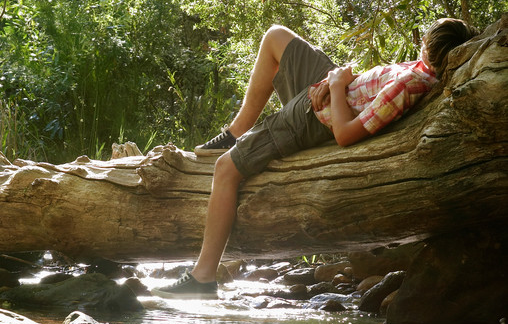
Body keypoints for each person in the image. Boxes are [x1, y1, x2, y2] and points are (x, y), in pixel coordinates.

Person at [155, 18, 476, 299]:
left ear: (428, 47)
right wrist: (338, 77)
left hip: (314, 117)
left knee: (225, 168)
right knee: (275, 37)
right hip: (330, 89)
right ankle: (236, 131)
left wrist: (336, 87)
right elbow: (368, 92)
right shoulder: (419, 70)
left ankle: (203, 276)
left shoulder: (410, 86)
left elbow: (345, 134)